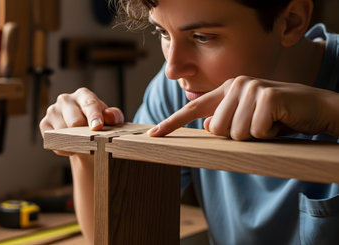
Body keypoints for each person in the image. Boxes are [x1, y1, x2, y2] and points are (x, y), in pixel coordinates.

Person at [40, 0, 339, 244]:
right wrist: (85, 151)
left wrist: (330, 112)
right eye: (163, 33)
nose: (172, 68)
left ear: (292, 22)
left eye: (202, 37)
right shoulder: (178, 92)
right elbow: (126, 234)